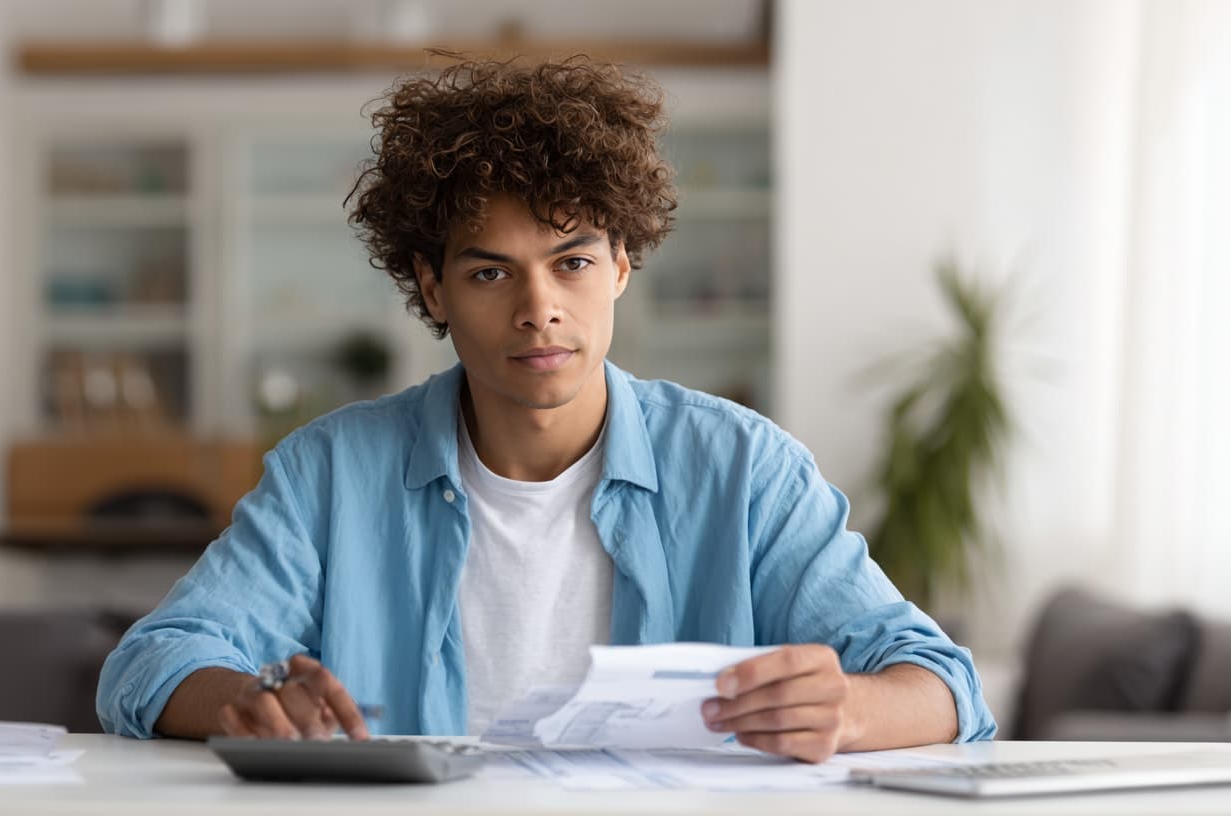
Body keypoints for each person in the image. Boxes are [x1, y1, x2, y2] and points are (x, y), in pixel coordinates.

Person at [97, 55, 996, 763]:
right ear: (432, 286)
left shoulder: (742, 468)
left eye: (570, 261)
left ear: (621, 267)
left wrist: (849, 709)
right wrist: (248, 706)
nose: (539, 309)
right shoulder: (332, 472)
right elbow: (152, 660)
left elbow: (947, 687)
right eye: (490, 271)